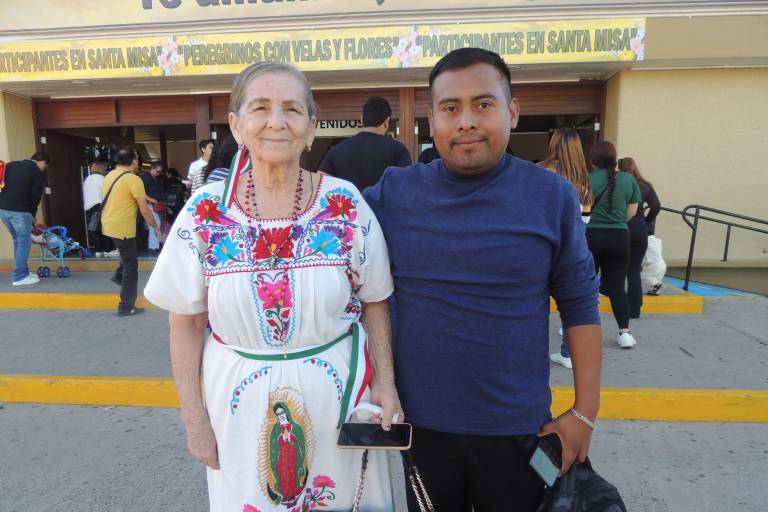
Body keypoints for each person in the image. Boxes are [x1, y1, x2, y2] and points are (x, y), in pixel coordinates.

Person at [143, 61, 402, 512]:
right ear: (236, 125)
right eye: (260, 108)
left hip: (340, 401)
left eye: (292, 109)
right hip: (237, 406)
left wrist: (387, 383)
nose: (276, 122)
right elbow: (186, 321)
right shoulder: (205, 213)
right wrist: (194, 417)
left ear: (311, 127)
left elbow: (375, 300)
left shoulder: (345, 204)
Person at [364, 48, 602, 512]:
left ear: (512, 112)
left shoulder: (551, 196)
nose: (466, 121)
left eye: (484, 104)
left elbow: (580, 304)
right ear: (432, 120)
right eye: (451, 108)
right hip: (423, 431)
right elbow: (325, 229)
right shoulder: (395, 192)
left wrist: (584, 413)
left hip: (522, 431)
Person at [539, 127, 593, 369]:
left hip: (544, 244)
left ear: (554, 144)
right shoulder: (584, 179)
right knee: (572, 304)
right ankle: (568, 353)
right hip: (574, 246)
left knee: (536, 301)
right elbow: (586, 218)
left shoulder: (542, 171)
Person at [587, 142, 641, 348]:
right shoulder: (628, 179)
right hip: (619, 237)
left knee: (587, 284)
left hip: (591, 236)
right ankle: (624, 333)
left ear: (593, 161)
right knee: (617, 287)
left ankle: (581, 328)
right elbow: (632, 212)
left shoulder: (587, 180)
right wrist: (616, 222)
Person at [101, 146, 161, 316]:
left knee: (126, 256)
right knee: (131, 266)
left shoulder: (110, 176)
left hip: (108, 225)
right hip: (123, 228)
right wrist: (156, 228)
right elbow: (145, 211)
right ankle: (126, 306)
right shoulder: (134, 179)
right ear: (134, 161)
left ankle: (119, 277)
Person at [319, 96, 412, 191]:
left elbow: (321, 184)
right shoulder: (398, 150)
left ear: (362, 119)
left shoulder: (337, 150)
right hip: (384, 201)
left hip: (349, 200)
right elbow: (407, 187)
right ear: (386, 122)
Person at [619, 157, 661, 317]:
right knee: (634, 270)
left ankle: (620, 305)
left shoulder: (618, 184)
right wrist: (646, 221)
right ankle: (635, 309)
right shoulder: (645, 185)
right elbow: (656, 206)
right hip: (639, 228)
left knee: (619, 268)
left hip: (622, 226)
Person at [0, 152, 48, 285]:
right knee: (23, 242)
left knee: (18, 241)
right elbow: (36, 196)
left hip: (3, 209)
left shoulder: (11, 165)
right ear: (43, 162)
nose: (44, 169)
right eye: (45, 166)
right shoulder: (37, 172)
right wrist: (32, 215)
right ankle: (19, 277)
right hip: (20, 211)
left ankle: (23, 272)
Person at [140, 160, 166, 255]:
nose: (158, 173)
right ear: (152, 169)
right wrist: (150, 199)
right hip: (148, 204)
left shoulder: (156, 179)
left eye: (160, 172)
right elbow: (140, 191)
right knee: (155, 223)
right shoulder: (145, 177)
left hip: (157, 205)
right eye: (157, 171)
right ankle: (153, 246)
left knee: (156, 223)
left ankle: (155, 245)